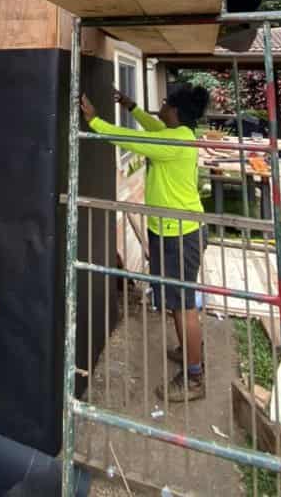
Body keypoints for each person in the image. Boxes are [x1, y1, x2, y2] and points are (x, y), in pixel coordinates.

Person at [80, 83, 210, 402]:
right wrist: (130, 105)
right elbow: (152, 125)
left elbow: (135, 139)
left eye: (164, 104)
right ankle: (189, 351)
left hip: (179, 234)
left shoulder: (171, 143)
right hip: (177, 230)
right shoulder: (181, 134)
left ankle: (194, 377)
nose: (160, 109)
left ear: (175, 112)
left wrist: (95, 121)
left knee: (182, 305)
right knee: (180, 302)